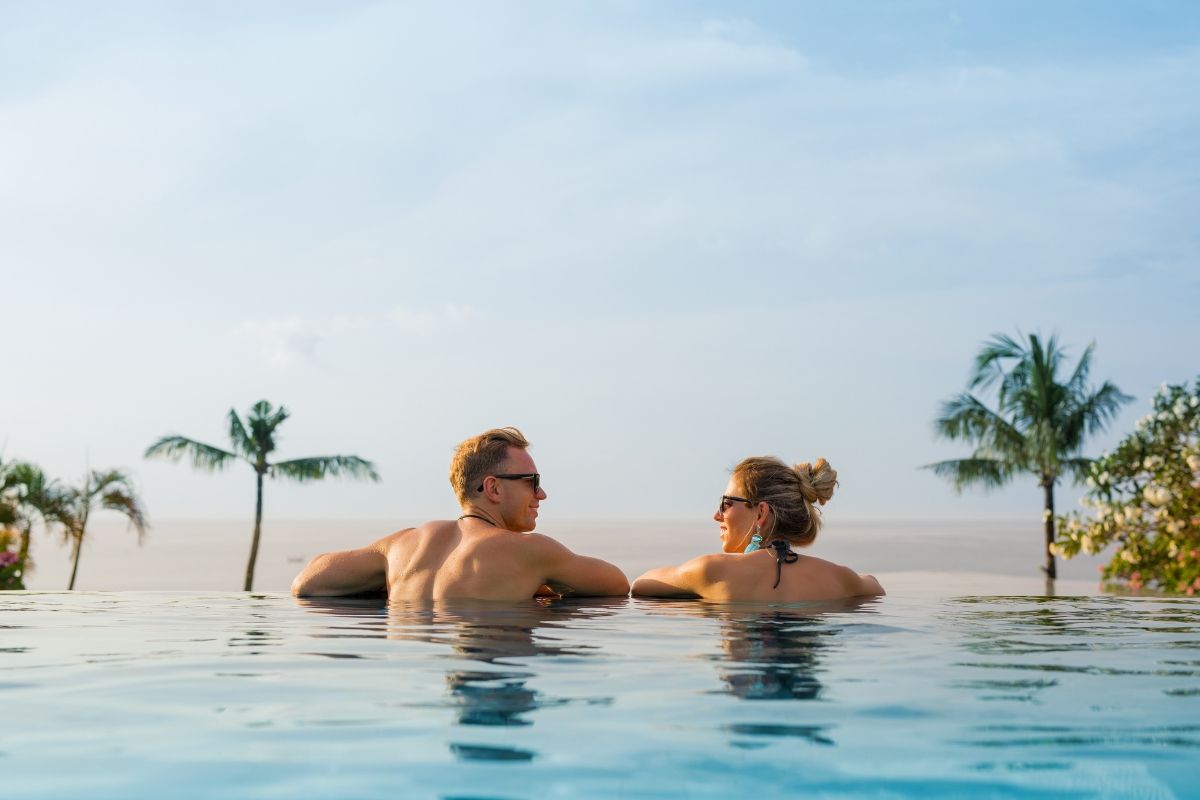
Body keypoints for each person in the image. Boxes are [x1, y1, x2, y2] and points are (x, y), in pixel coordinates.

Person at [291, 427, 629, 601]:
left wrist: (387, 580)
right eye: (532, 482)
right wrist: (540, 581)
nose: (541, 494)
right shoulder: (530, 551)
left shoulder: (402, 545)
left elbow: (306, 583)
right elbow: (618, 585)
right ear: (494, 488)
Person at [631, 456, 883, 602]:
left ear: (761, 512)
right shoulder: (839, 578)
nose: (717, 515)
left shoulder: (711, 571)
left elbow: (640, 585)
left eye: (726, 503)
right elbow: (874, 587)